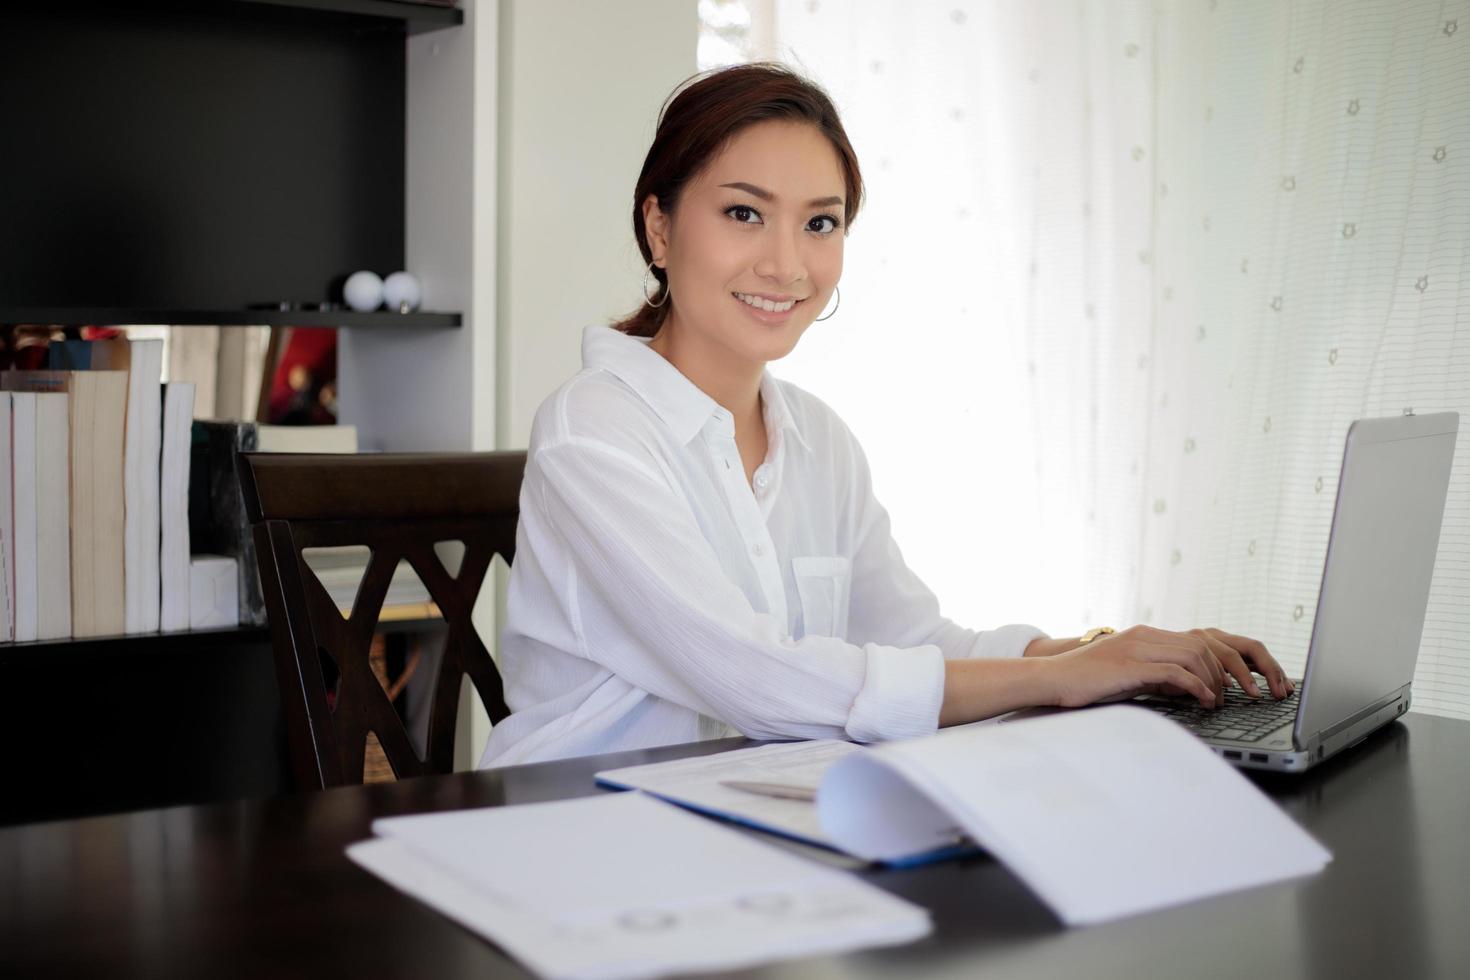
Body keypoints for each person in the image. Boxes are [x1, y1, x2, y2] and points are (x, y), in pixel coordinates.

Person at [479, 63, 1291, 769]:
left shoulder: (819, 440)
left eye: (820, 223)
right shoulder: (595, 429)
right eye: (744, 213)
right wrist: (1056, 679)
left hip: (758, 817)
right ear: (659, 227)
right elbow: (756, 679)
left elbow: (915, 644)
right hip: (584, 826)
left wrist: (1104, 654)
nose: (787, 264)